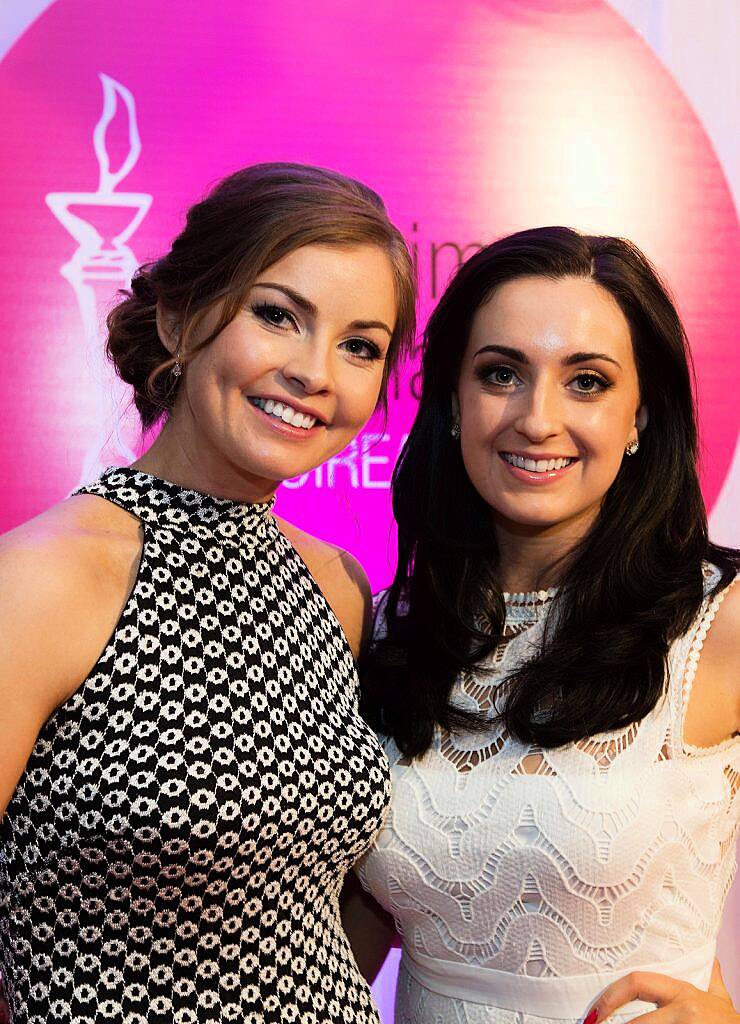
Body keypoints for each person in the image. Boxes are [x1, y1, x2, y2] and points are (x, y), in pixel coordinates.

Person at [0, 162, 416, 1024]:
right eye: (277, 315)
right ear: (181, 318)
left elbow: (315, 912)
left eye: (360, 345)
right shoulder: (49, 576)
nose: (316, 371)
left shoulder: (336, 585)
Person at [345, 227, 739, 1024]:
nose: (537, 418)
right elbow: (344, 936)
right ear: (453, 403)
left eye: (587, 381)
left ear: (641, 418)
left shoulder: (718, 622)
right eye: (501, 374)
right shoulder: (384, 630)